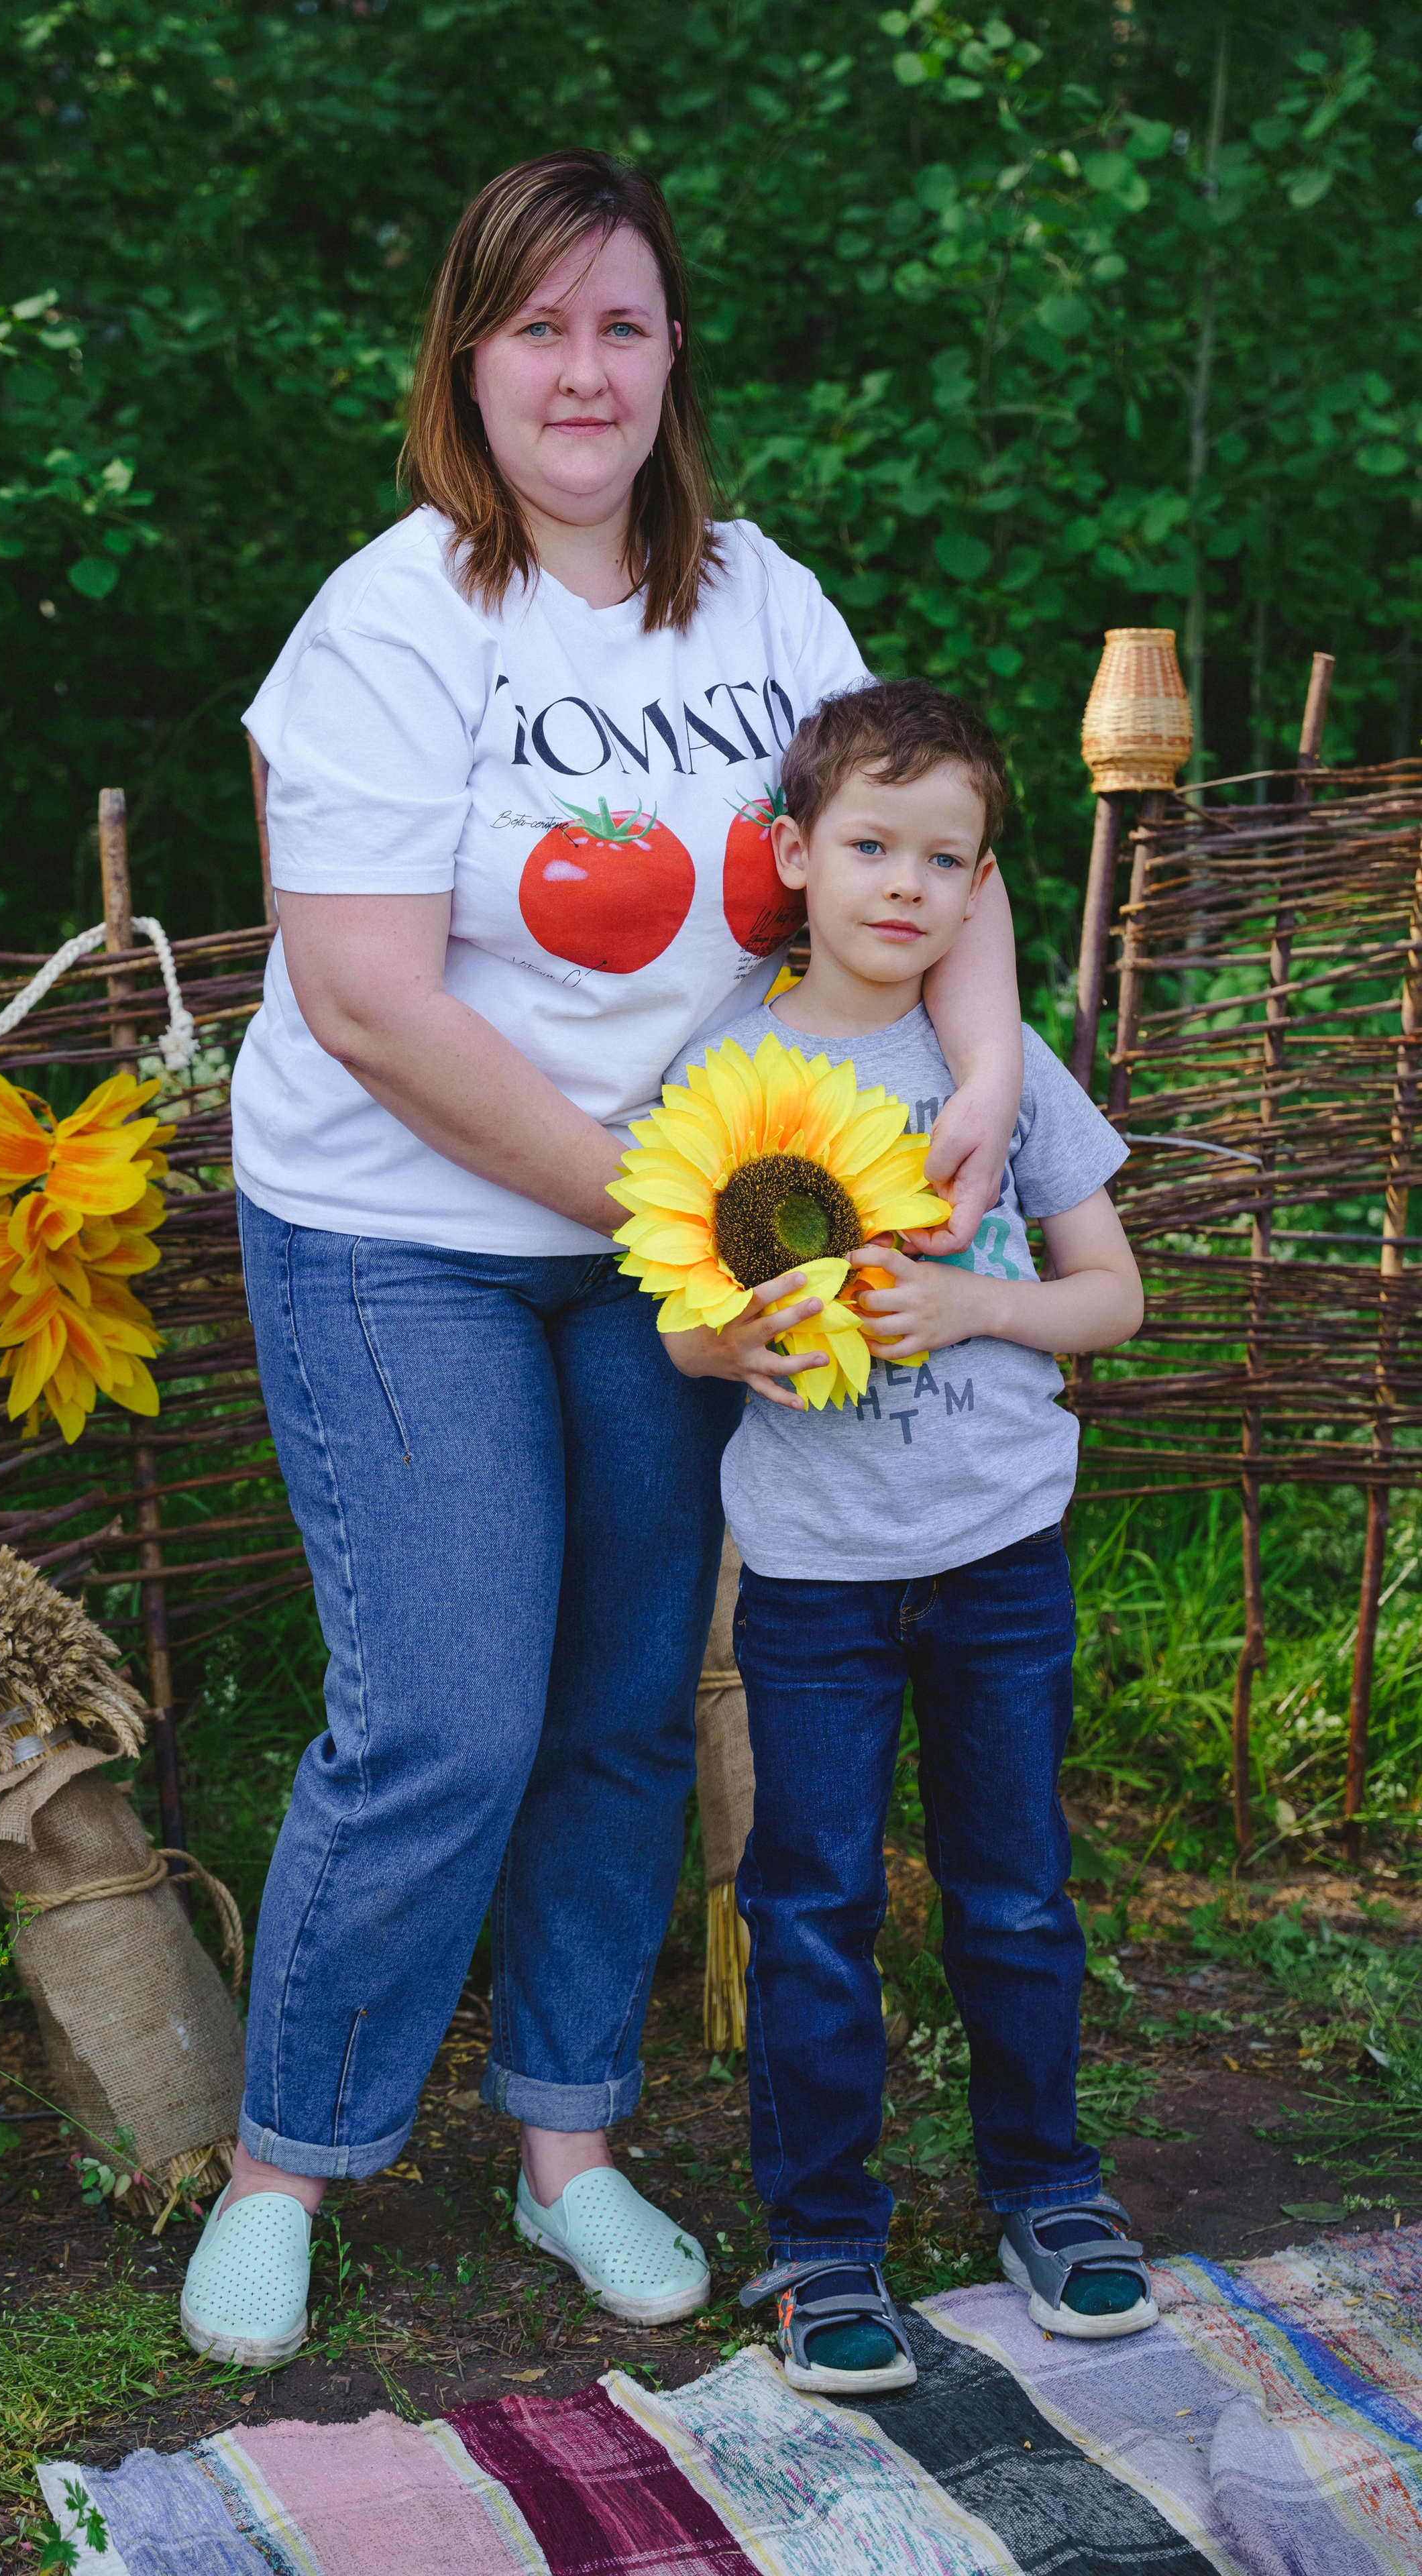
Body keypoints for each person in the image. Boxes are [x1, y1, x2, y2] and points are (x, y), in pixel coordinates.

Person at [182, 150, 1026, 2368]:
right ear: (470, 356)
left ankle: (566, 2145)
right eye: (538, 325)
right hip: (406, 1237)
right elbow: (368, 997)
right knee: (446, 1706)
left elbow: (927, 829)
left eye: (623, 324)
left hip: (683, 1250)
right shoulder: (390, 622)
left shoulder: (763, 604)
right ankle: (294, 2155)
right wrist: (668, 1223)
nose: (582, 369)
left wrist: (986, 1071)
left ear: (672, 361)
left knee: (629, 1702)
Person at [661, 678, 1155, 2396]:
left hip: (998, 1556)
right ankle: (819, 2243)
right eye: (870, 845)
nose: (905, 885)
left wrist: (965, 1304)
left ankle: (1050, 2193)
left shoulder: (996, 1079)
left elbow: (1110, 1297)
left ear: (977, 890)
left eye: (946, 860)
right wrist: (734, 1343)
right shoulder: (726, 1070)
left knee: (1013, 1894)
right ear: (793, 855)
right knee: (806, 1903)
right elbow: (672, 1324)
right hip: (809, 1578)